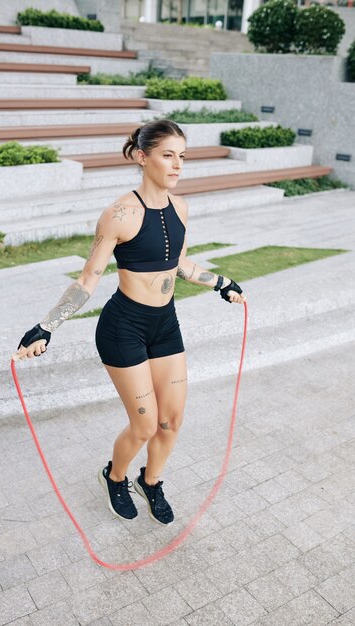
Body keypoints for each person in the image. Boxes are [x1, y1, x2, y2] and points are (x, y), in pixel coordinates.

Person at [15, 119, 246, 526]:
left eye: (182, 157)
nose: (177, 166)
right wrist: (47, 326)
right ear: (143, 157)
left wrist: (221, 283)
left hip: (165, 324)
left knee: (171, 420)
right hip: (124, 328)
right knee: (143, 426)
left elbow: (179, 263)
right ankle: (115, 476)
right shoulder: (119, 213)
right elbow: (88, 278)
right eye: (167, 155)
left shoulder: (181, 207)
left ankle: (151, 481)